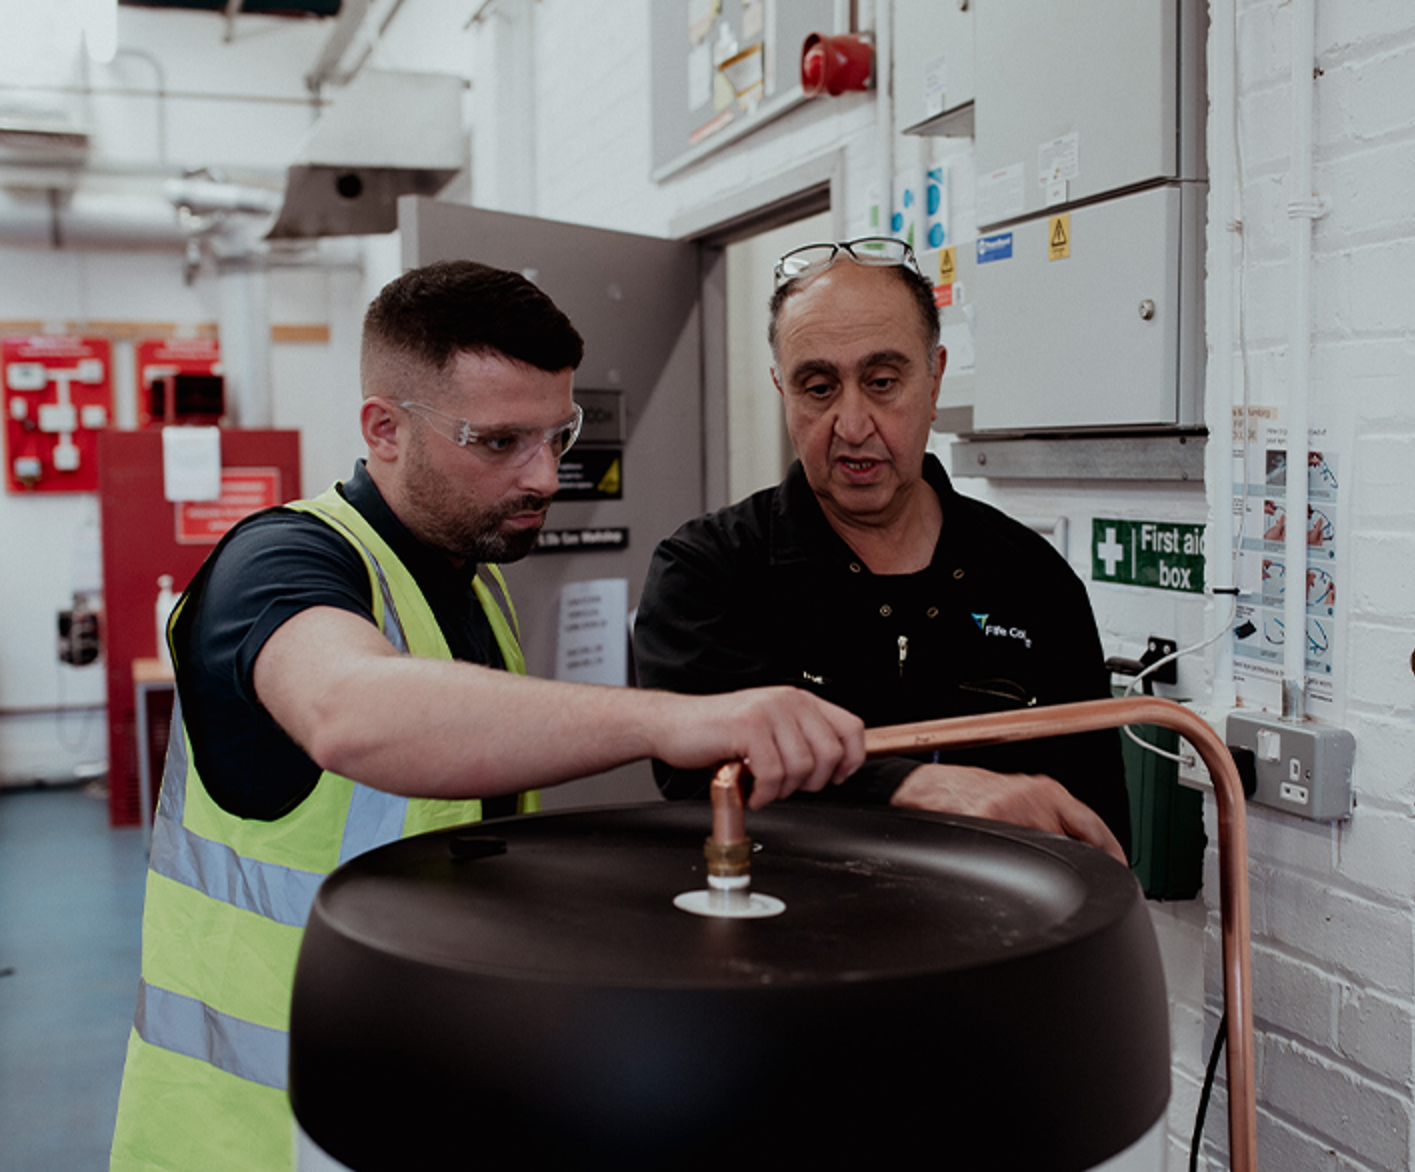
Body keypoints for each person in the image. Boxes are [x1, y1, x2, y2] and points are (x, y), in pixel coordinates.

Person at [109, 260, 865, 1172]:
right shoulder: (278, 563)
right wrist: (673, 720)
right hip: (253, 1136)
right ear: (383, 429)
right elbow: (352, 711)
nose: (545, 476)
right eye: (499, 441)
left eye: (558, 435)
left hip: (403, 1097)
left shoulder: (475, 582)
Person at [633, 238, 1130, 862]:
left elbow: (1098, 831)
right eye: (818, 387)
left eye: (883, 381)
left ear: (936, 378)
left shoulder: (1033, 582)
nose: (852, 424)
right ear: (782, 390)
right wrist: (916, 788)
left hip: (991, 947)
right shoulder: (708, 573)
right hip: (787, 945)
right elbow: (700, 780)